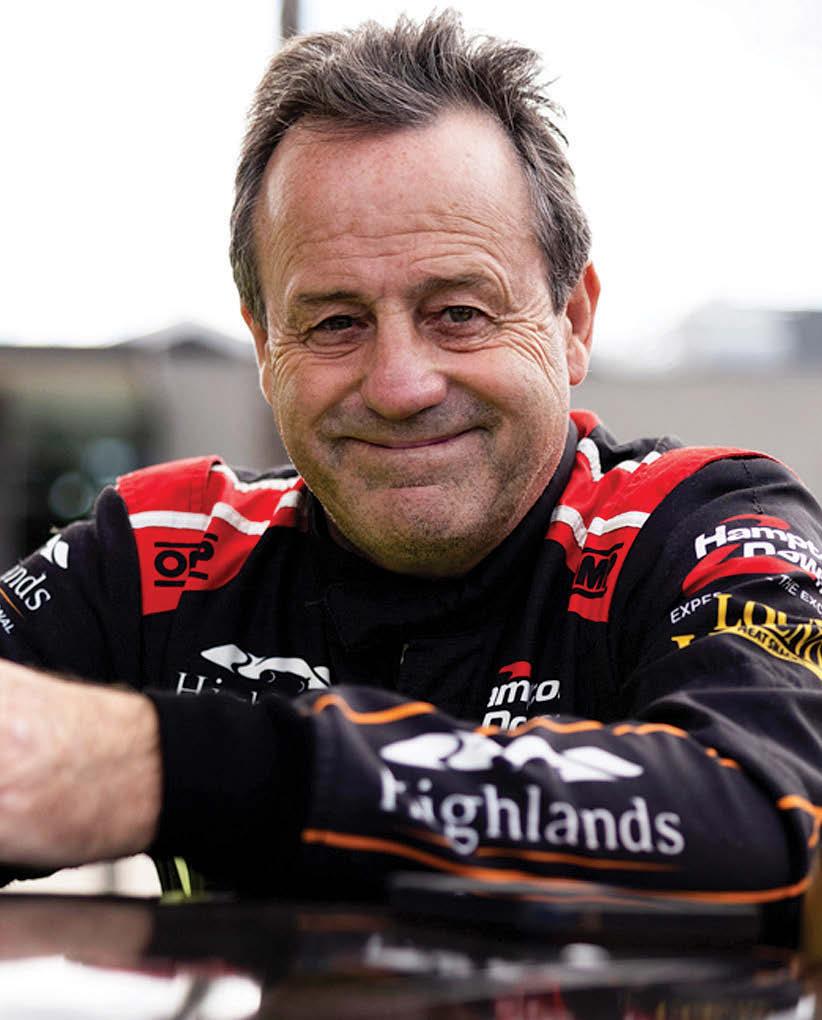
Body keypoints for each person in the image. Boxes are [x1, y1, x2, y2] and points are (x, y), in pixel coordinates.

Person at [1, 12, 821, 927]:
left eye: (459, 312)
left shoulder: (704, 524)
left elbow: (775, 825)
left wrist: (181, 769)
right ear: (265, 347)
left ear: (572, 321)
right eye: (335, 322)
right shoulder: (157, 556)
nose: (399, 386)